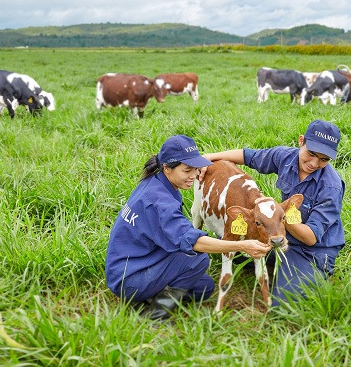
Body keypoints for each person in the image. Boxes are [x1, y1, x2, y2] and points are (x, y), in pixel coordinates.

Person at [105, 134, 271, 320]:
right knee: (197, 260)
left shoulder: (156, 182)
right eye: (187, 170)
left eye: (196, 168)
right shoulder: (160, 202)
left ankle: (149, 297)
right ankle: (154, 315)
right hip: (128, 277)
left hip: (140, 260)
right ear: (167, 168)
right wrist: (242, 245)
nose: (194, 175)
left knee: (204, 287)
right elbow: (194, 242)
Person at [200, 119, 345, 306]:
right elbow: (248, 156)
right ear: (301, 141)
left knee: (284, 304)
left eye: (324, 159)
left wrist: (276, 213)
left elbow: (310, 238)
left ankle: (317, 271)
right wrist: (209, 157)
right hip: (278, 232)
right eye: (311, 154)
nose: (314, 163)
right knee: (234, 248)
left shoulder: (330, 187)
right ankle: (276, 260)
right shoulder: (286, 157)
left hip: (313, 249)